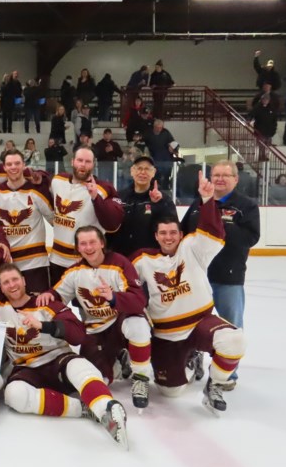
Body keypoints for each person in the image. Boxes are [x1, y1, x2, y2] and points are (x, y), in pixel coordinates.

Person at [132, 173, 246, 415]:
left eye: (173, 232)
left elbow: (214, 233)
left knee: (235, 340)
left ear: (180, 234)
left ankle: (214, 384)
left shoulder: (192, 248)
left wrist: (207, 200)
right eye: (163, 233)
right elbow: (122, 279)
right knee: (170, 392)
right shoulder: (143, 258)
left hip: (200, 323)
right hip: (166, 334)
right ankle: (191, 361)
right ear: (156, 236)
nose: (168, 237)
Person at [0, 264, 129, 448]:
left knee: (79, 367)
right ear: (0, 287)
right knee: (14, 395)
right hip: (26, 368)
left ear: (24, 280)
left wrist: (44, 326)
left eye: (15, 279)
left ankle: (107, 407)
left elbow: (78, 334)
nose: (12, 285)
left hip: (57, 360)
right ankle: (83, 409)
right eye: (6, 282)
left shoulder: (46, 303)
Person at [37, 226, 150, 410]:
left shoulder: (119, 263)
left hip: (119, 324)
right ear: (78, 248)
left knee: (138, 324)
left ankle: (141, 378)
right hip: (95, 330)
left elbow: (139, 301)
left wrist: (113, 297)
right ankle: (119, 364)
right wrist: (48, 295)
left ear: (102, 243)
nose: (88, 247)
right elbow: (57, 293)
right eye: (83, 244)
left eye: (92, 242)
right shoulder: (74, 272)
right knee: (98, 380)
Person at [181, 160, 260, 351]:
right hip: (197, 278)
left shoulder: (246, 206)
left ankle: (227, 374)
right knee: (191, 323)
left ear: (236, 179)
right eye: (216, 175)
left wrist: (217, 223)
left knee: (231, 326)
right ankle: (193, 358)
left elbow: (251, 237)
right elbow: (183, 233)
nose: (220, 179)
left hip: (228, 277)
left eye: (226, 175)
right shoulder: (198, 204)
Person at [47, 147, 124, 281]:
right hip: (56, 259)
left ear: (93, 164)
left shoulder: (104, 189)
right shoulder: (58, 180)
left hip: (85, 261)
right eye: (80, 160)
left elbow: (113, 224)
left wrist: (96, 198)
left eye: (88, 161)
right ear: (72, 161)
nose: (83, 164)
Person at [0, 150, 53, 294]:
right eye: (9, 164)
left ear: (24, 165)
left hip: (35, 264)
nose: (13, 167)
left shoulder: (36, 191)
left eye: (17, 163)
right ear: (4, 167)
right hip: (6, 264)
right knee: (8, 311)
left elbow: (54, 219)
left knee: (39, 307)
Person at [107, 156, 177, 258]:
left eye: (147, 169)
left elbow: (170, 229)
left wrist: (158, 204)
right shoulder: (119, 197)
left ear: (153, 172)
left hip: (149, 261)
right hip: (122, 259)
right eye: (139, 168)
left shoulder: (164, 199)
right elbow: (110, 226)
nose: (143, 172)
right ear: (132, 171)